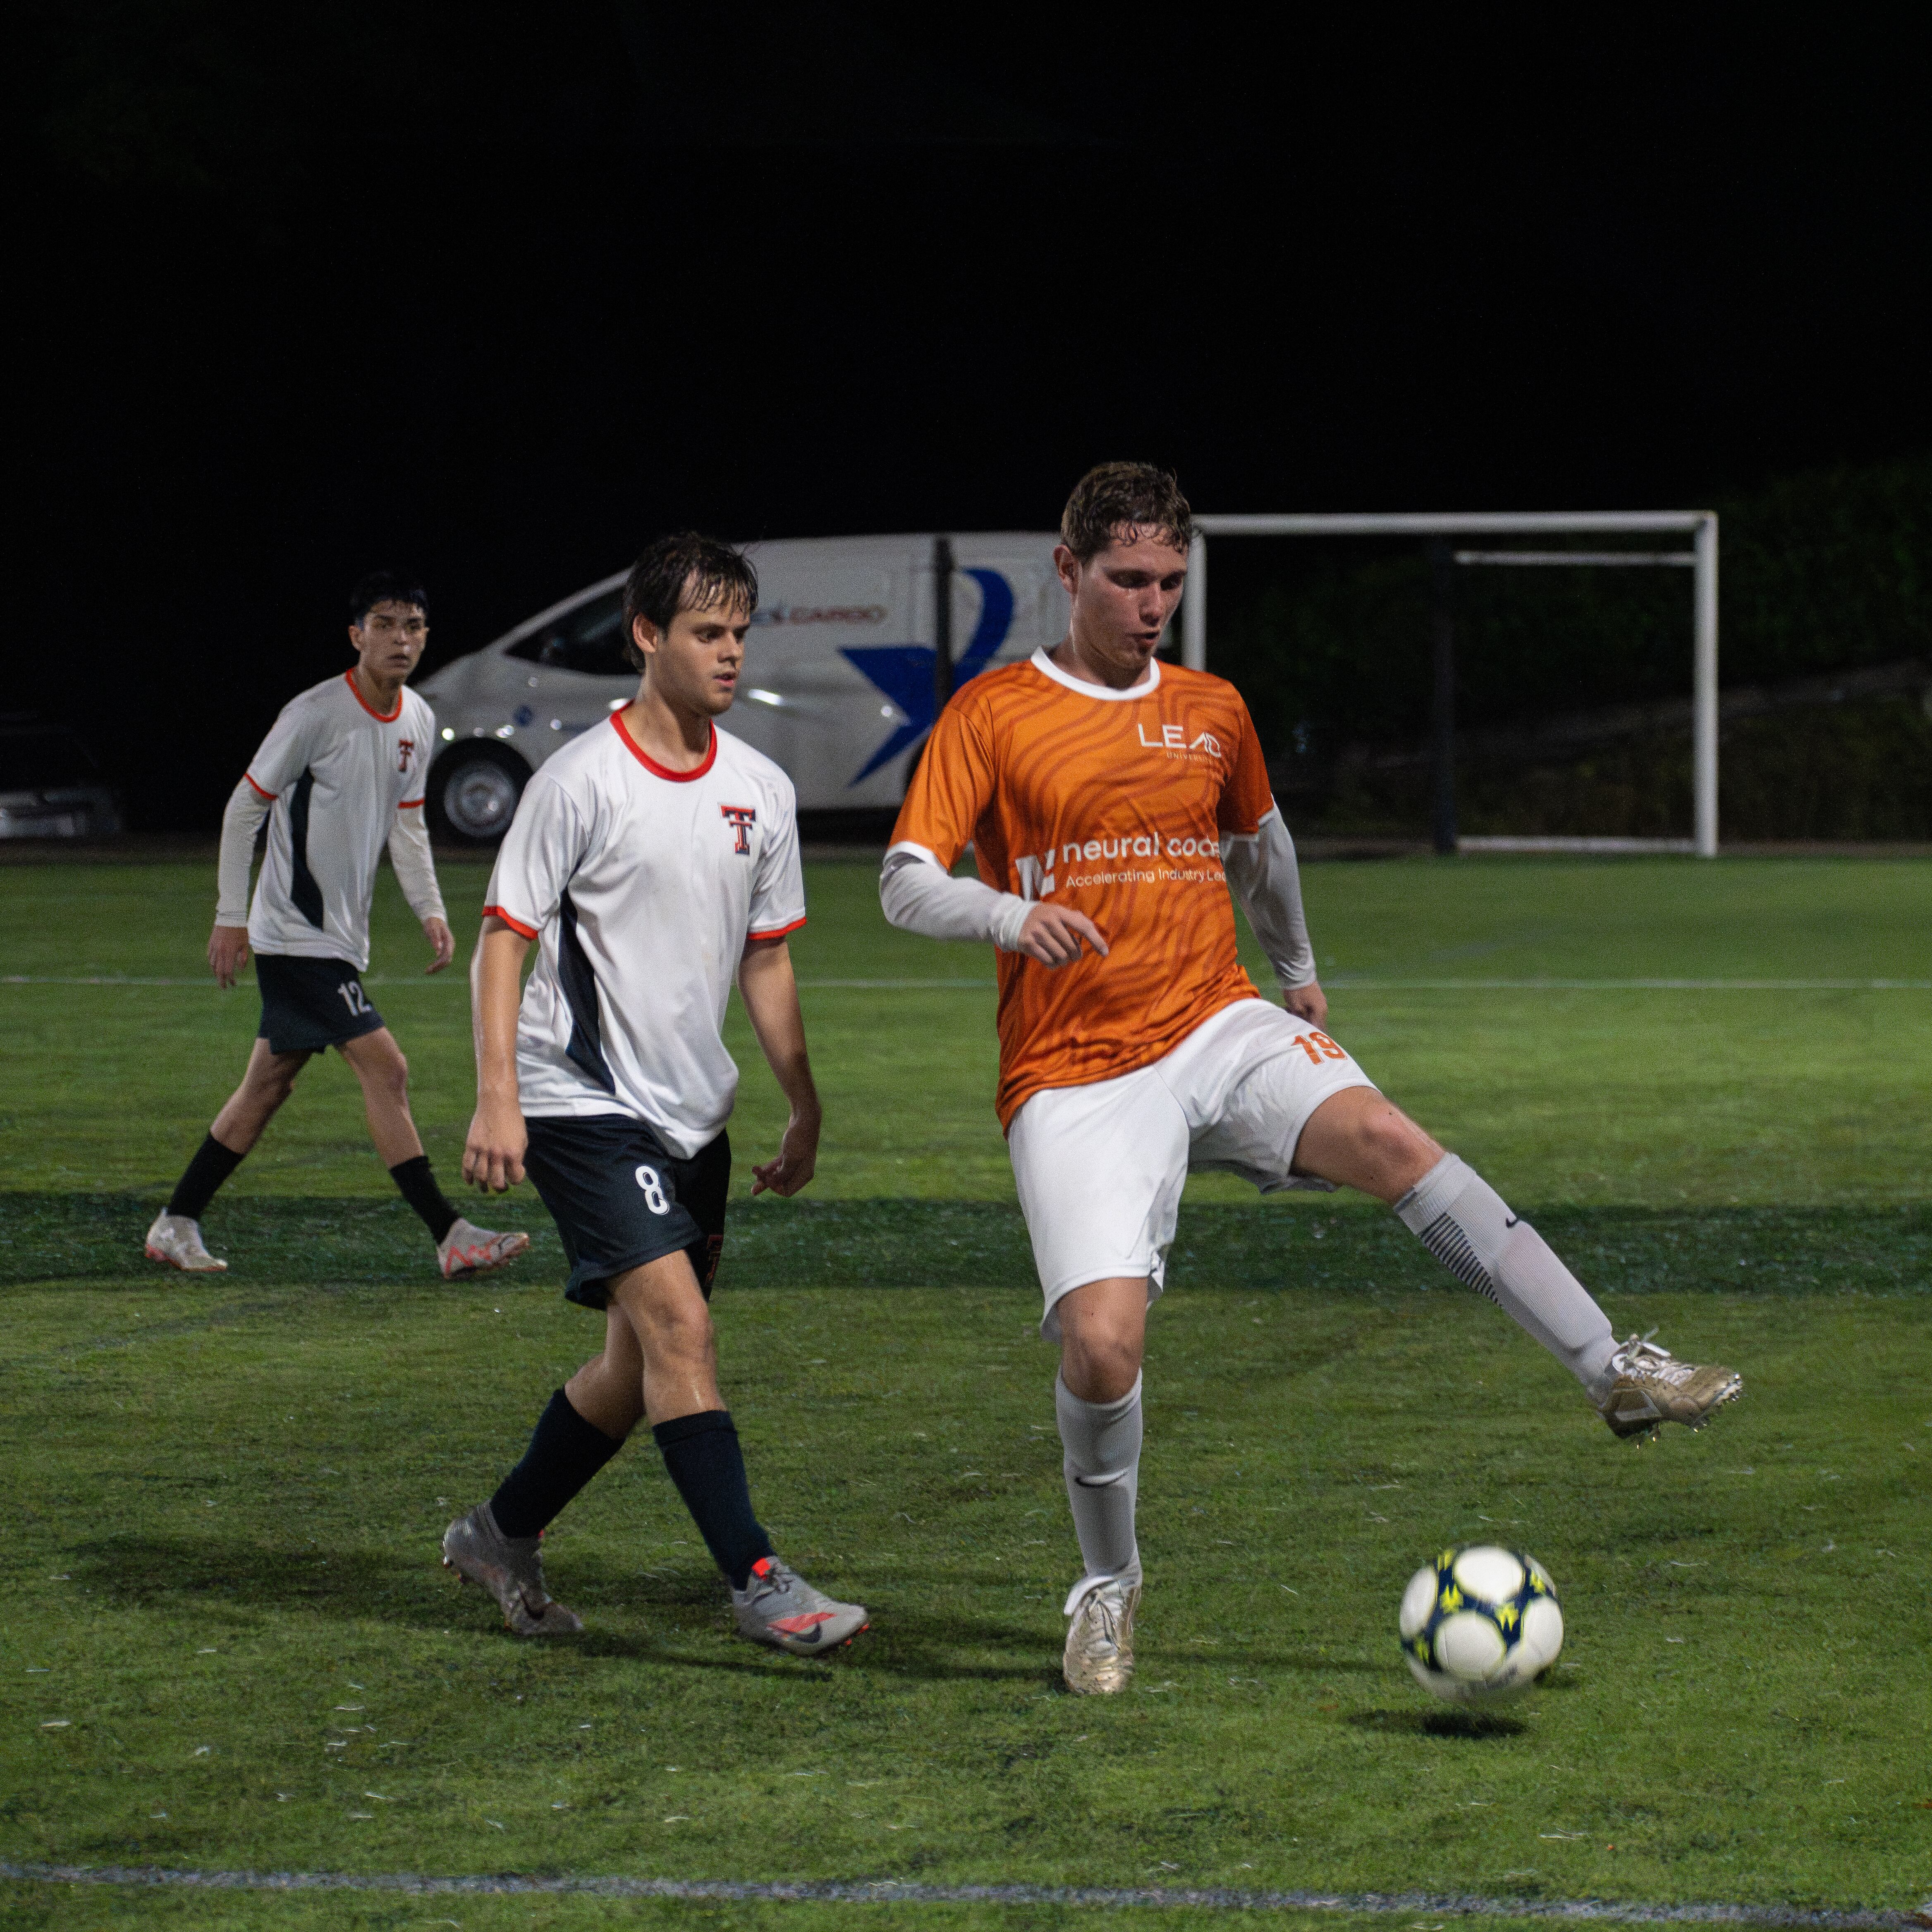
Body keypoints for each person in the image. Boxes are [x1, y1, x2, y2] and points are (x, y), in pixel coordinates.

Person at [880, 461, 1742, 1696]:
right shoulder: (994, 712)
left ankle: (1616, 1370)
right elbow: (906, 878)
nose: (1150, 603)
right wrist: (1007, 922)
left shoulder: (1212, 707)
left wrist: (1297, 970)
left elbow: (1261, 845)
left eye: (1168, 581)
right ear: (1066, 572)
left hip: (1216, 1019)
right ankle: (1107, 1587)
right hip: (1075, 1071)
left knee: (1395, 1143)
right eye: (1126, 578)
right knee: (1103, 1350)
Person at [445, 531, 867, 1656]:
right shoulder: (581, 779)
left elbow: (766, 959)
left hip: (695, 1118)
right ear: (647, 636)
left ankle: (500, 1532)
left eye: (740, 633)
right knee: (684, 1328)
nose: (729, 653)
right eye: (706, 632)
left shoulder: (760, 791)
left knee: (635, 1372)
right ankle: (761, 1580)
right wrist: (499, 1098)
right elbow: (504, 942)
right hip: (578, 1100)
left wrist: (804, 1100)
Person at [145, 572, 527, 1281]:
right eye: (385, 625)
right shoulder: (314, 713)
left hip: (336, 938)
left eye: (413, 626)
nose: (401, 639)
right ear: (357, 635)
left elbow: (408, 823)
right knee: (388, 1068)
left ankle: (176, 1221)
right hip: (295, 935)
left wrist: (430, 909)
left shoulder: (415, 717)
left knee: (267, 1087)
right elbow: (243, 809)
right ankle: (451, 1234)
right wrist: (232, 917)